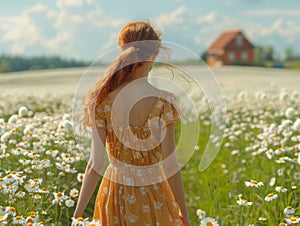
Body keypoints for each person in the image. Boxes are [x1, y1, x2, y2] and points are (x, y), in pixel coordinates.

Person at [72, 21, 190, 226]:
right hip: (155, 193)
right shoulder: (164, 102)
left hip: (114, 194)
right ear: (154, 55)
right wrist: (184, 212)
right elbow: (170, 165)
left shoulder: (101, 100)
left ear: (121, 52)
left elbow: (95, 165)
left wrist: (77, 215)